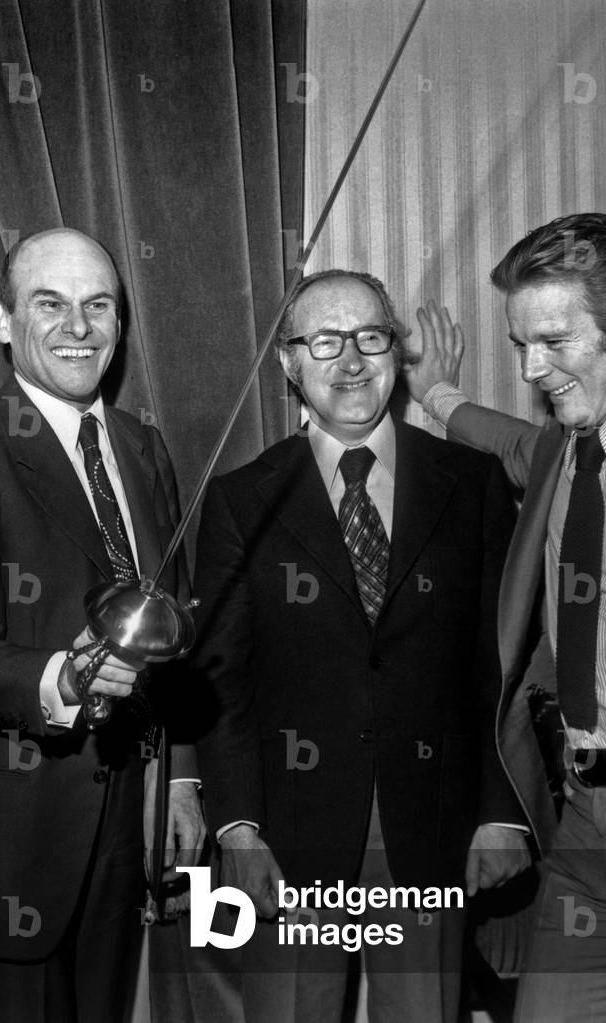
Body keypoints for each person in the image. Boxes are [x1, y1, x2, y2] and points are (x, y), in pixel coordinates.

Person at [191, 269, 530, 1023]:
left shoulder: (471, 482)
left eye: (370, 337)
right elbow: (219, 679)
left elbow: (500, 663)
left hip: (434, 828)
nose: (350, 360)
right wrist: (238, 827)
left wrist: (501, 811)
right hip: (286, 836)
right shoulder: (239, 499)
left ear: (396, 353)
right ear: (289, 362)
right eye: (324, 341)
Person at [0, 227, 205, 1023]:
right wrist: (62, 676)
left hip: (123, 829)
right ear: (4, 321)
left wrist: (179, 777)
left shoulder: (142, 448)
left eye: (98, 305)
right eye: (49, 304)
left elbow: (173, 628)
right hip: (7, 844)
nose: (78, 326)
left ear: (119, 324)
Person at [406, 211, 606, 1022]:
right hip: (584, 819)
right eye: (521, 344)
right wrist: (435, 393)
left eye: (553, 342)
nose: (530, 367)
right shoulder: (564, 444)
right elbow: (510, 444)